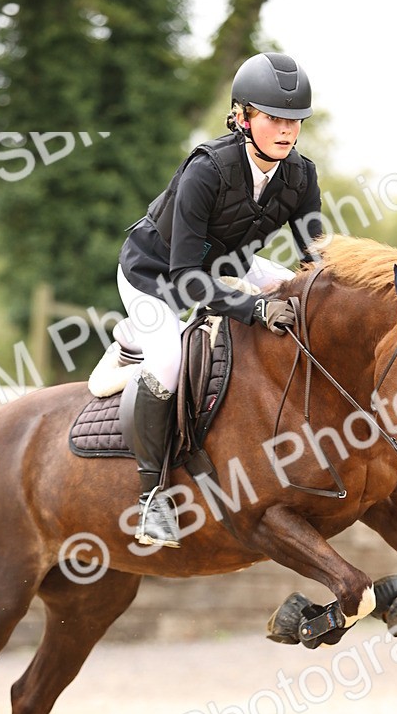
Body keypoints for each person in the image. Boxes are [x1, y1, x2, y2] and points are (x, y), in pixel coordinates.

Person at [117, 51, 323, 548]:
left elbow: (314, 258)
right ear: (242, 116)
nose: (286, 130)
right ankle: (151, 499)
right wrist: (253, 308)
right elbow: (186, 278)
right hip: (155, 276)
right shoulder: (206, 171)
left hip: (230, 263)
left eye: (294, 120)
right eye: (273, 117)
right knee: (167, 361)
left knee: (300, 293)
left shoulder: (300, 176)